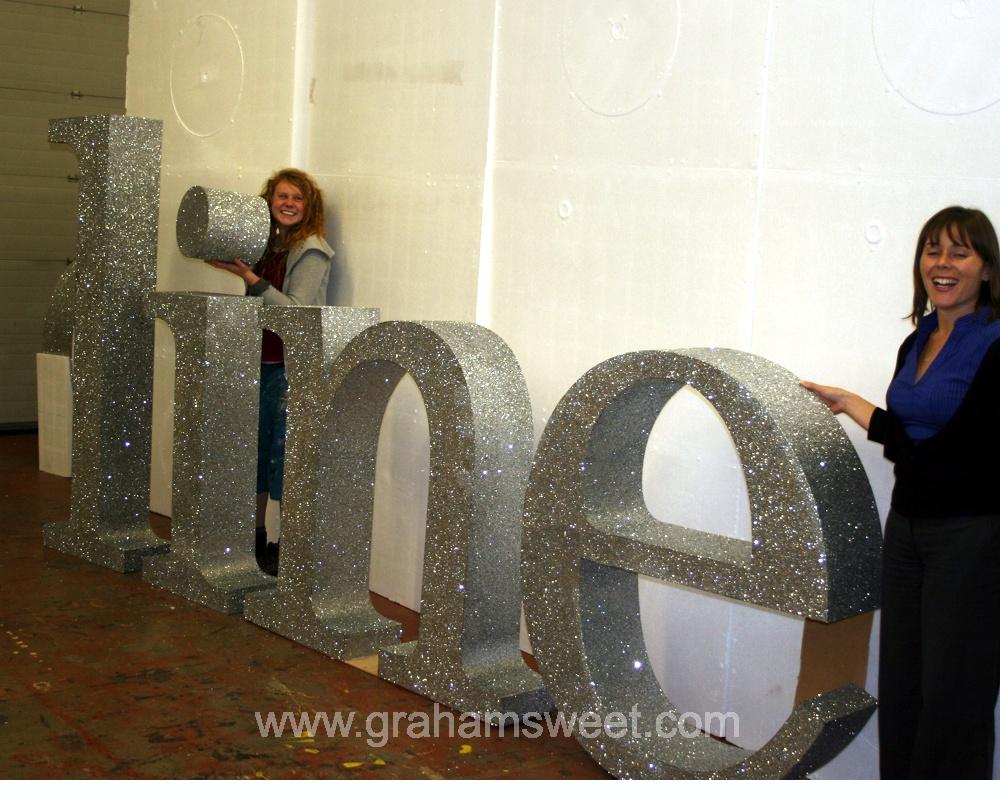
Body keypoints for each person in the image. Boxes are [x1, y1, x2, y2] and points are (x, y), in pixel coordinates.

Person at [802, 206, 1000, 779]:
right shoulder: (917, 341)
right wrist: (851, 405)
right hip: (908, 529)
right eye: (933, 249)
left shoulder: (995, 341)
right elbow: (909, 436)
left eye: (960, 252)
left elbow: (970, 453)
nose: (942, 263)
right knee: (904, 682)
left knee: (955, 694)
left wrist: (897, 437)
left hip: (972, 536)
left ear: (986, 269)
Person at [209, 168, 333, 576]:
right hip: (259, 364)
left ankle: (285, 545)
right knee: (256, 455)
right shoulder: (267, 245)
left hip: (289, 370)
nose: (288, 204)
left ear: (308, 207)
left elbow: (295, 311)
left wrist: (249, 278)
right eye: (282, 196)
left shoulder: (312, 250)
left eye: (297, 198)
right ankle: (257, 537)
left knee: (284, 461)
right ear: (270, 201)